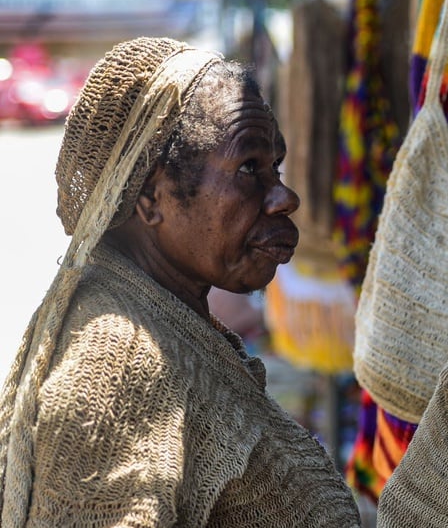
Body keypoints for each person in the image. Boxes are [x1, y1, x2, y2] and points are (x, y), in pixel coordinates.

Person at [0, 37, 361, 526]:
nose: (284, 197)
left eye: (274, 166)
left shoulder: (161, 319)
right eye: (249, 167)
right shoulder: (119, 368)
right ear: (151, 196)